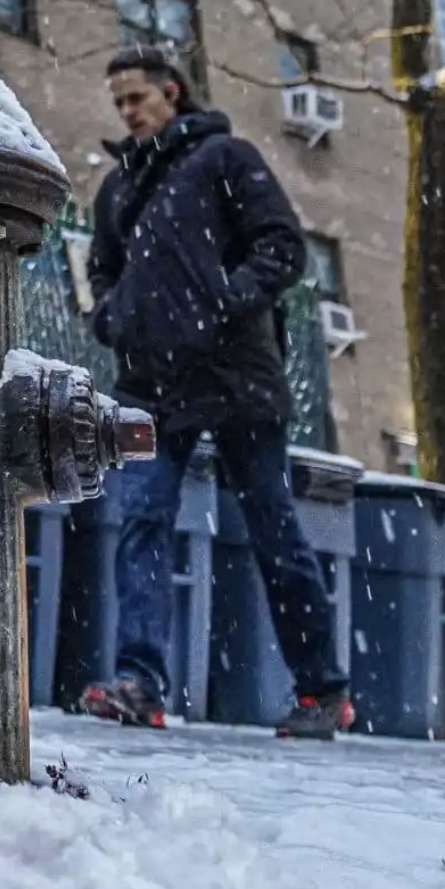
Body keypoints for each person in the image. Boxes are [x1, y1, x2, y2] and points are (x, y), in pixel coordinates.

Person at [75, 46, 353, 738]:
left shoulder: (226, 159)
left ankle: (322, 690)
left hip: (236, 376)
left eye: (137, 97)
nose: (128, 112)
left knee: (272, 530)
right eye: (119, 103)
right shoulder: (118, 188)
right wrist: (112, 318)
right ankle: (140, 683)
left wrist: (224, 301)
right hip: (150, 383)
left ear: (173, 92)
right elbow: (100, 271)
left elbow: (283, 247)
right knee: (140, 523)